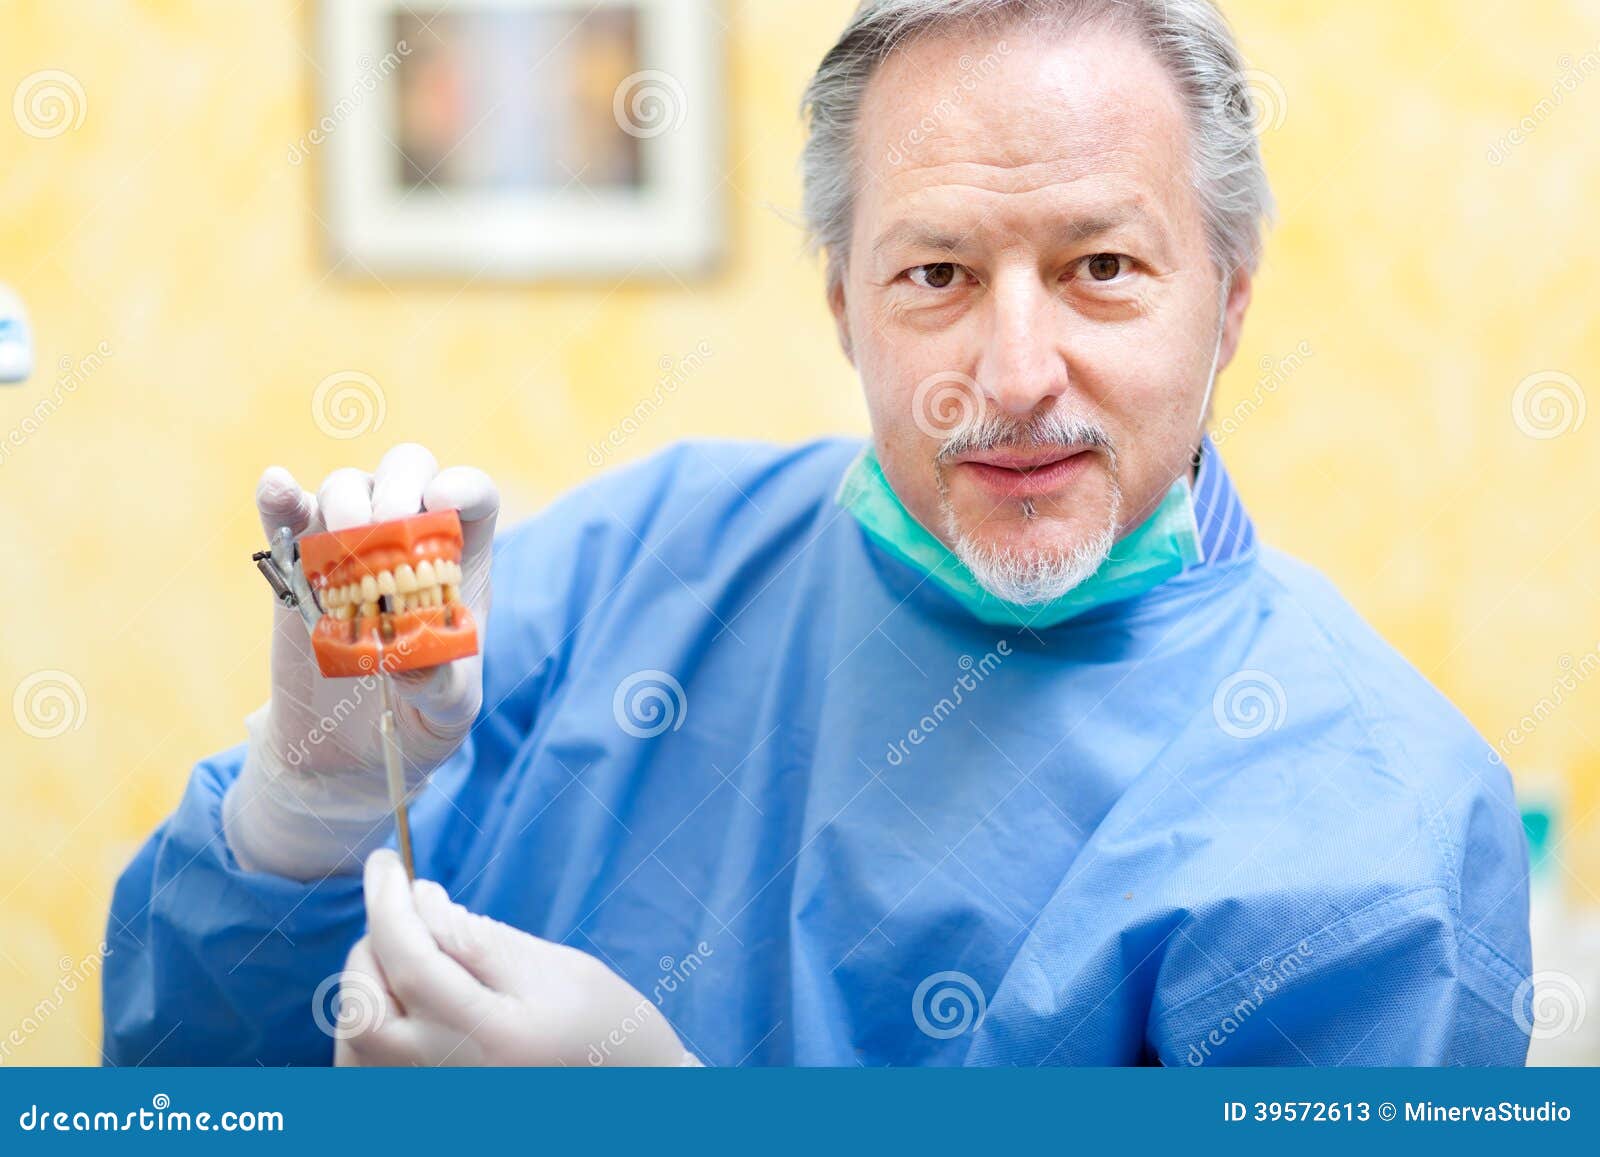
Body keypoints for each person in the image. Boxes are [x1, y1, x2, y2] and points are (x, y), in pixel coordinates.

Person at [104, 0, 1532, 1066]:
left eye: (1102, 268)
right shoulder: (636, 565)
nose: (1015, 369)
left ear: (1227, 299)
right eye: (937, 273)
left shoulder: (1367, 840)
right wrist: (307, 819)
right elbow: (188, 1091)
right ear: (844, 306)